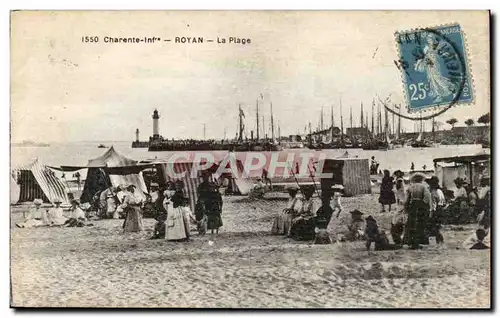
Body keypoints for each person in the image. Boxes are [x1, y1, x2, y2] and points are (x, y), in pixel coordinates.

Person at [403, 173, 432, 249]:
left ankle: (411, 240)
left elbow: (407, 199)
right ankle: (420, 240)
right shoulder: (424, 187)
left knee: (411, 223)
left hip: (413, 205)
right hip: (421, 205)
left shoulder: (410, 187)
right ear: (421, 179)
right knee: (420, 222)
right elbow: (427, 198)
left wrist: (406, 207)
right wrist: (426, 206)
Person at [426, 176, 445, 244]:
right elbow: (444, 202)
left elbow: (433, 205)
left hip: (435, 211)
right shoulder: (440, 191)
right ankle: (439, 240)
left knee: (432, 226)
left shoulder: (432, 193)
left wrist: (431, 214)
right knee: (437, 226)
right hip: (441, 210)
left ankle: (438, 239)